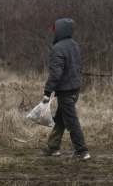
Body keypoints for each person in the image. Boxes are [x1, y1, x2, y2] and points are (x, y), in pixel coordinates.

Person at [42, 18, 90, 161]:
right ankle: (53, 147)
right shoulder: (74, 45)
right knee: (61, 119)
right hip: (74, 89)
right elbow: (80, 67)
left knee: (71, 122)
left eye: (55, 30)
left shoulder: (57, 48)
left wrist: (47, 93)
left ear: (59, 31)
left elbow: (55, 74)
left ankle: (82, 151)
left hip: (65, 91)